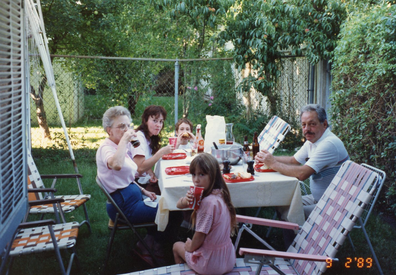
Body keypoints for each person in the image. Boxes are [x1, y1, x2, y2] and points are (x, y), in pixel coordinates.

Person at [96, 106, 180, 266]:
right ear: (109, 131)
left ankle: (149, 243)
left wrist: (143, 191)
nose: (127, 130)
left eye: (128, 125)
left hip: (132, 196)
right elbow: (117, 165)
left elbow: (129, 175)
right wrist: (125, 140)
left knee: (170, 204)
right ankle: (154, 248)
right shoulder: (106, 148)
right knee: (172, 211)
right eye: (121, 126)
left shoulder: (123, 145)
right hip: (123, 207)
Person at [255, 104, 349, 218]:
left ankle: (299, 235)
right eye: (304, 125)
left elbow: (302, 174)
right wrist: (268, 158)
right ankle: (296, 233)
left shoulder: (329, 144)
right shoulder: (313, 140)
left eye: (312, 124)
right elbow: (293, 160)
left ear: (324, 124)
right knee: (281, 203)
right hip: (319, 198)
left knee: (291, 213)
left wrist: (273, 164)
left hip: (334, 206)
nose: (307, 129)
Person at [173, 153, 237, 275]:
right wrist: (186, 200)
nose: (196, 179)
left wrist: (190, 247)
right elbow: (178, 205)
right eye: (193, 174)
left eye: (201, 174)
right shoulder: (220, 193)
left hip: (210, 264)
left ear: (213, 176)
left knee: (176, 246)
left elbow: (200, 235)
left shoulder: (207, 203)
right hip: (228, 259)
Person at [132, 105, 174, 193]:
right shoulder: (138, 138)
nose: (158, 125)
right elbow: (139, 168)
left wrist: (151, 174)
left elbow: (145, 161)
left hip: (142, 179)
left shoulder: (149, 138)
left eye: (161, 122)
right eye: (155, 121)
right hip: (133, 183)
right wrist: (160, 153)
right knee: (168, 190)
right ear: (145, 120)